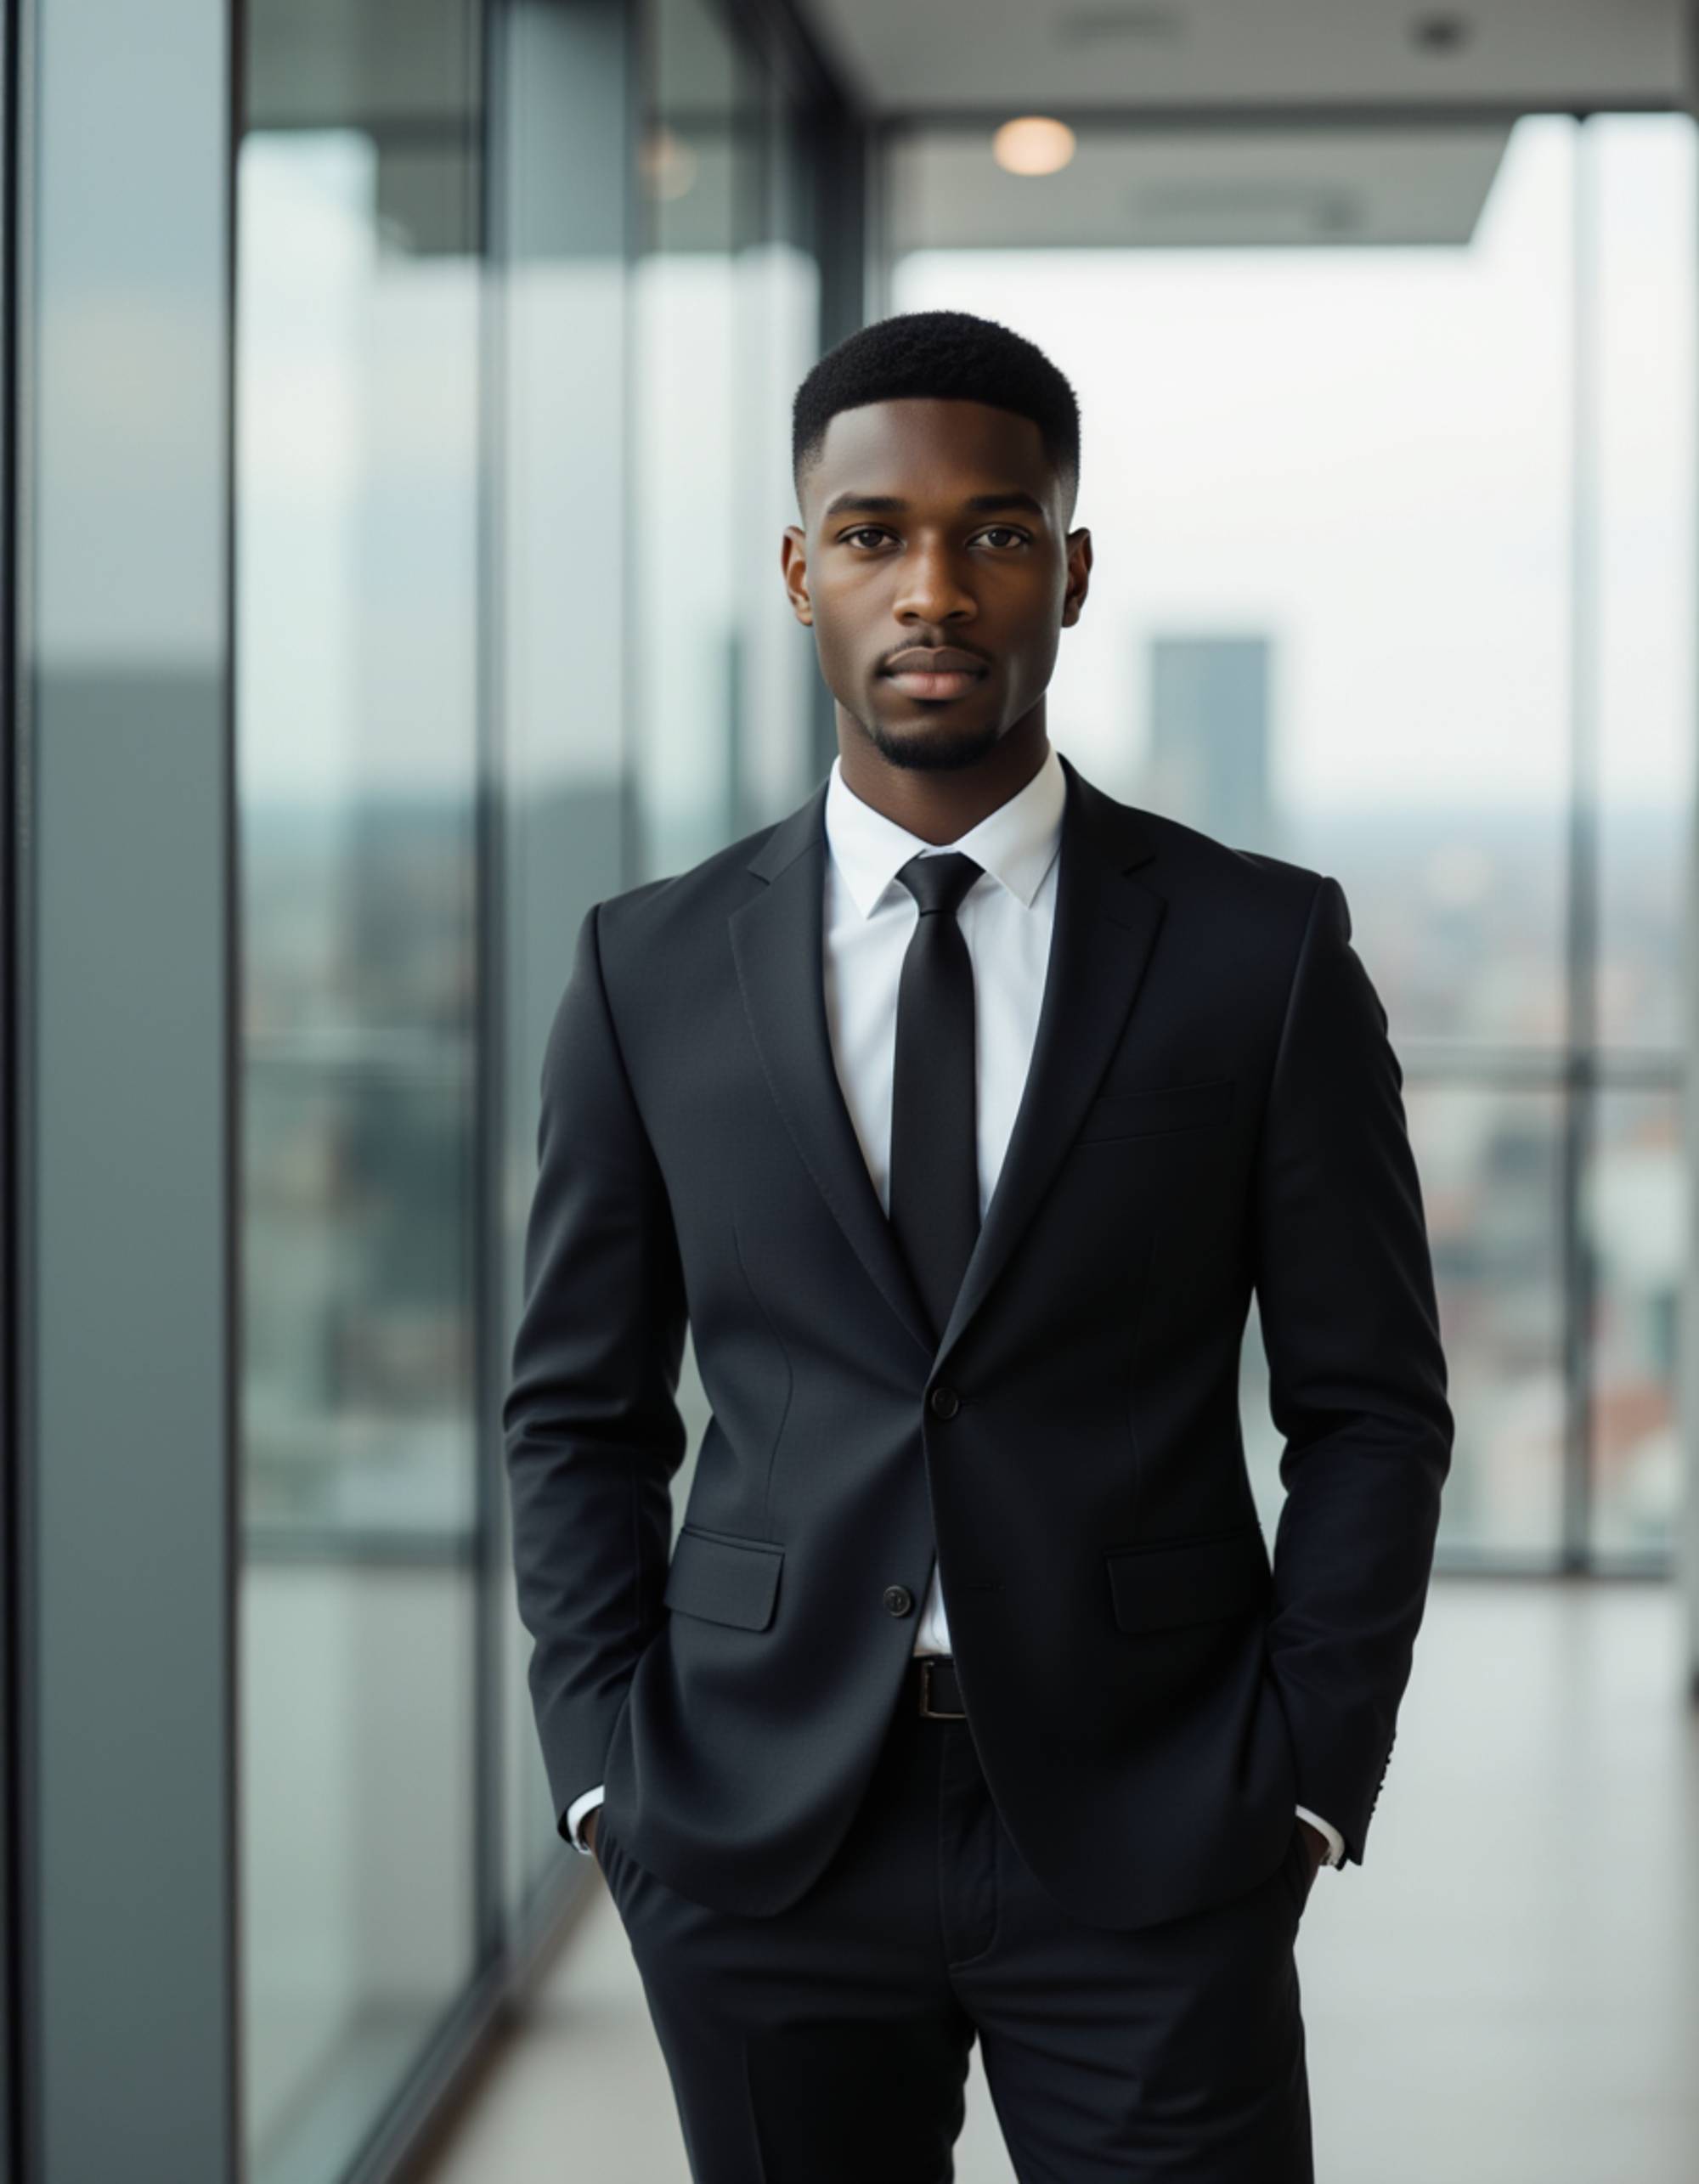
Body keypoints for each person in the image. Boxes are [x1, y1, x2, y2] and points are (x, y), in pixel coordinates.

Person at [502, 307, 1453, 2183]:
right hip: (759, 1825)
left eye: (994, 531)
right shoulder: (647, 966)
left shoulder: (1260, 957)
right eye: (872, 533)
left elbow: (1370, 1406)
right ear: (799, 571)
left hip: (1158, 1819)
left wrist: (1307, 1777)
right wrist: (610, 1771)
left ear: (1070, 571)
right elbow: (576, 1410)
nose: (931, 584)